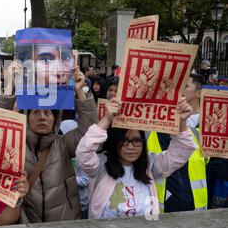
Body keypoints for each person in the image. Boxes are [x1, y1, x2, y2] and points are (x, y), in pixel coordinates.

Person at [0, 61, 98, 223]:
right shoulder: (13, 145)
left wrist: (80, 93)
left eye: (47, 113)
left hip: (64, 224)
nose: (42, 117)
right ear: (26, 117)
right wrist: (9, 86)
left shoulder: (63, 144)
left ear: (56, 119)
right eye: (35, 112)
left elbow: (90, 133)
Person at [76, 97, 197, 219]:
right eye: (124, 141)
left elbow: (184, 149)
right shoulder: (100, 165)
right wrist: (106, 119)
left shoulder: (150, 166)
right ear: (114, 142)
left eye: (137, 141)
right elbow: (83, 152)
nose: (131, 147)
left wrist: (181, 123)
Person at [147, 74, 208, 213]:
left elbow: (209, 165)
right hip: (159, 211)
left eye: (184, 86)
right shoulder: (148, 133)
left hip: (195, 209)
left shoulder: (199, 131)